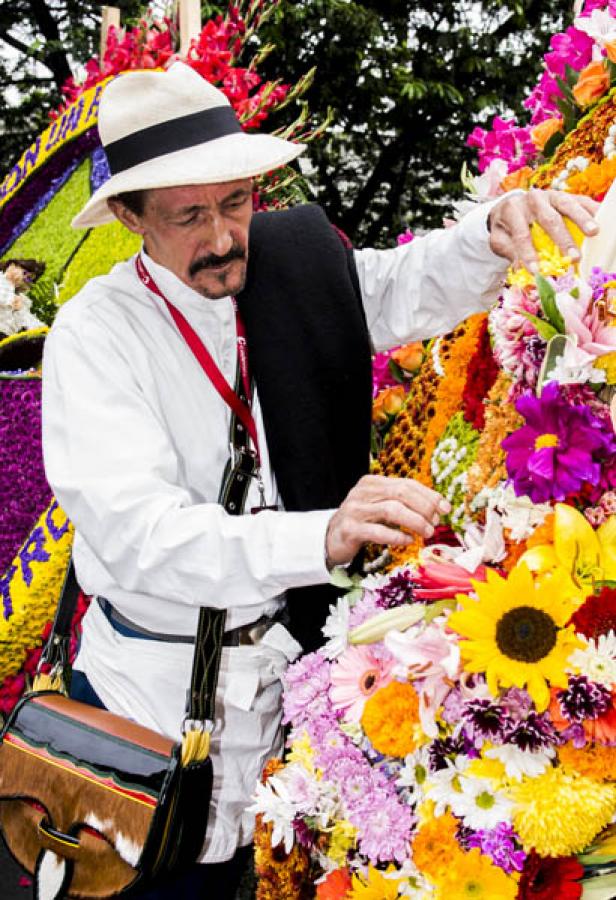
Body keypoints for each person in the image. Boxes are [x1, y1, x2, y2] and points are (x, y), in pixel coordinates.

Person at [41, 61, 600, 898]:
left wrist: (492, 229)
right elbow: (142, 534)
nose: (225, 236)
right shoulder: (97, 333)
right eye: (190, 216)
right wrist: (321, 536)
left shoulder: (287, 266)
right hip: (144, 712)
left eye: (237, 202)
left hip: (278, 701)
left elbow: (395, 287)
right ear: (129, 216)